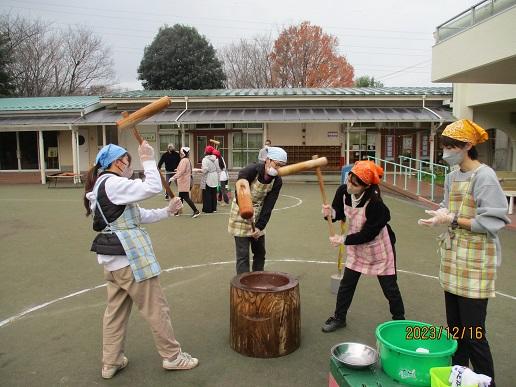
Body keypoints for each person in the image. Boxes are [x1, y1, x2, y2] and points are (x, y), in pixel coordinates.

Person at [83, 142, 199, 379]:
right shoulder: (114, 183)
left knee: (115, 313)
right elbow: (153, 187)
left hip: (112, 261)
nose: (130, 165)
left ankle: (111, 362)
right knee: (157, 308)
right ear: (118, 163)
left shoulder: (103, 185)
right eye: (128, 161)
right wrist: (148, 158)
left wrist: (167, 210)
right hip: (130, 259)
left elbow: (138, 216)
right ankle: (172, 356)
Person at [418, 119, 509, 384]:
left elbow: (493, 222)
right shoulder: (451, 176)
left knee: (474, 332)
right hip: (453, 257)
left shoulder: (485, 176)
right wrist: (440, 215)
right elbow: (448, 207)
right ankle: (459, 375)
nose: (446, 151)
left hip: (477, 260)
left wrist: (453, 219)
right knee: (457, 329)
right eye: (444, 146)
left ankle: (486, 380)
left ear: (468, 145)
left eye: (450, 146)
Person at [321, 160, 405, 333]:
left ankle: (399, 320)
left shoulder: (375, 203)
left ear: (365, 187)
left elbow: (368, 235)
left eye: (355, 183)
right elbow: (338, 212)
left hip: (379, 246)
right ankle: (339, 317)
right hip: (357, 245)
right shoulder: (343, 191)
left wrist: (342, 240)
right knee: (347, 284)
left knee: (390, 287)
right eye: (349, 178)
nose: (349, 184)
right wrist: (330, 213)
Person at [228, 146, 287, 274]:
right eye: (276, 164)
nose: (278, 169)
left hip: (258, 214)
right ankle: (243, 286)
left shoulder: (277, 181)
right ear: (267, 160)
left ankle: (257, 279)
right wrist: (246, 211)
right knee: (243, 254)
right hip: (240, 211)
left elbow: (269, 205)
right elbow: (240, 192)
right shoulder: (250, 171)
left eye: (281, 166)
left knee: (260, 252)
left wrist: (259, 226)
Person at [171, 146, 200, 218]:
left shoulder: (184, 160)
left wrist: (173, 177)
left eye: (181, 153)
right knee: (181, 197)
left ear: (183, 153)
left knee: (186, 197)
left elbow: (181, 171)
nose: (180, 154)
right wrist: (177, 170)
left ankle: (196, 211)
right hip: (184, 180)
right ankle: (177, 212)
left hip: (184, 181)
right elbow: (182, 170)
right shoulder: (186, 160)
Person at [201, 145, 220, 213]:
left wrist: (200, 170)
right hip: (214, 176)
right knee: (213, 193)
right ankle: (214, 208)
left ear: (206, 152)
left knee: (207, 193)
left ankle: (208, 209)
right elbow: (218, 169)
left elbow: (205, 170)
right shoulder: (216, 159)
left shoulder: (205, 159)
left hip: (208, 176)